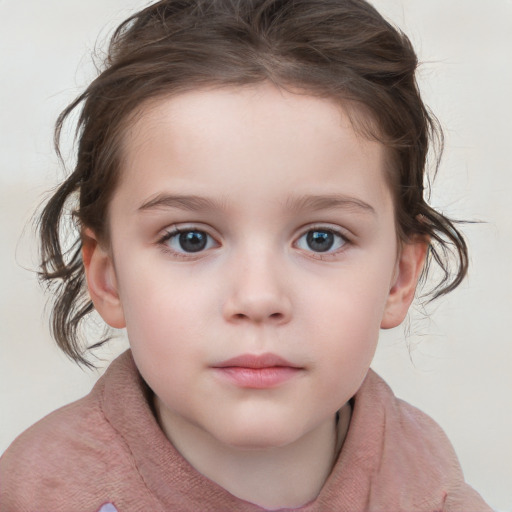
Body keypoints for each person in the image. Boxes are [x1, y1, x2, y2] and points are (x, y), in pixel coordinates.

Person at [0, 0, 493, 510]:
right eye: (189, 238)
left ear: (399, 277)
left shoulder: (431, 491)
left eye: (321, 238)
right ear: (107, 277)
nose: (258, 298)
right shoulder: (35, 493)